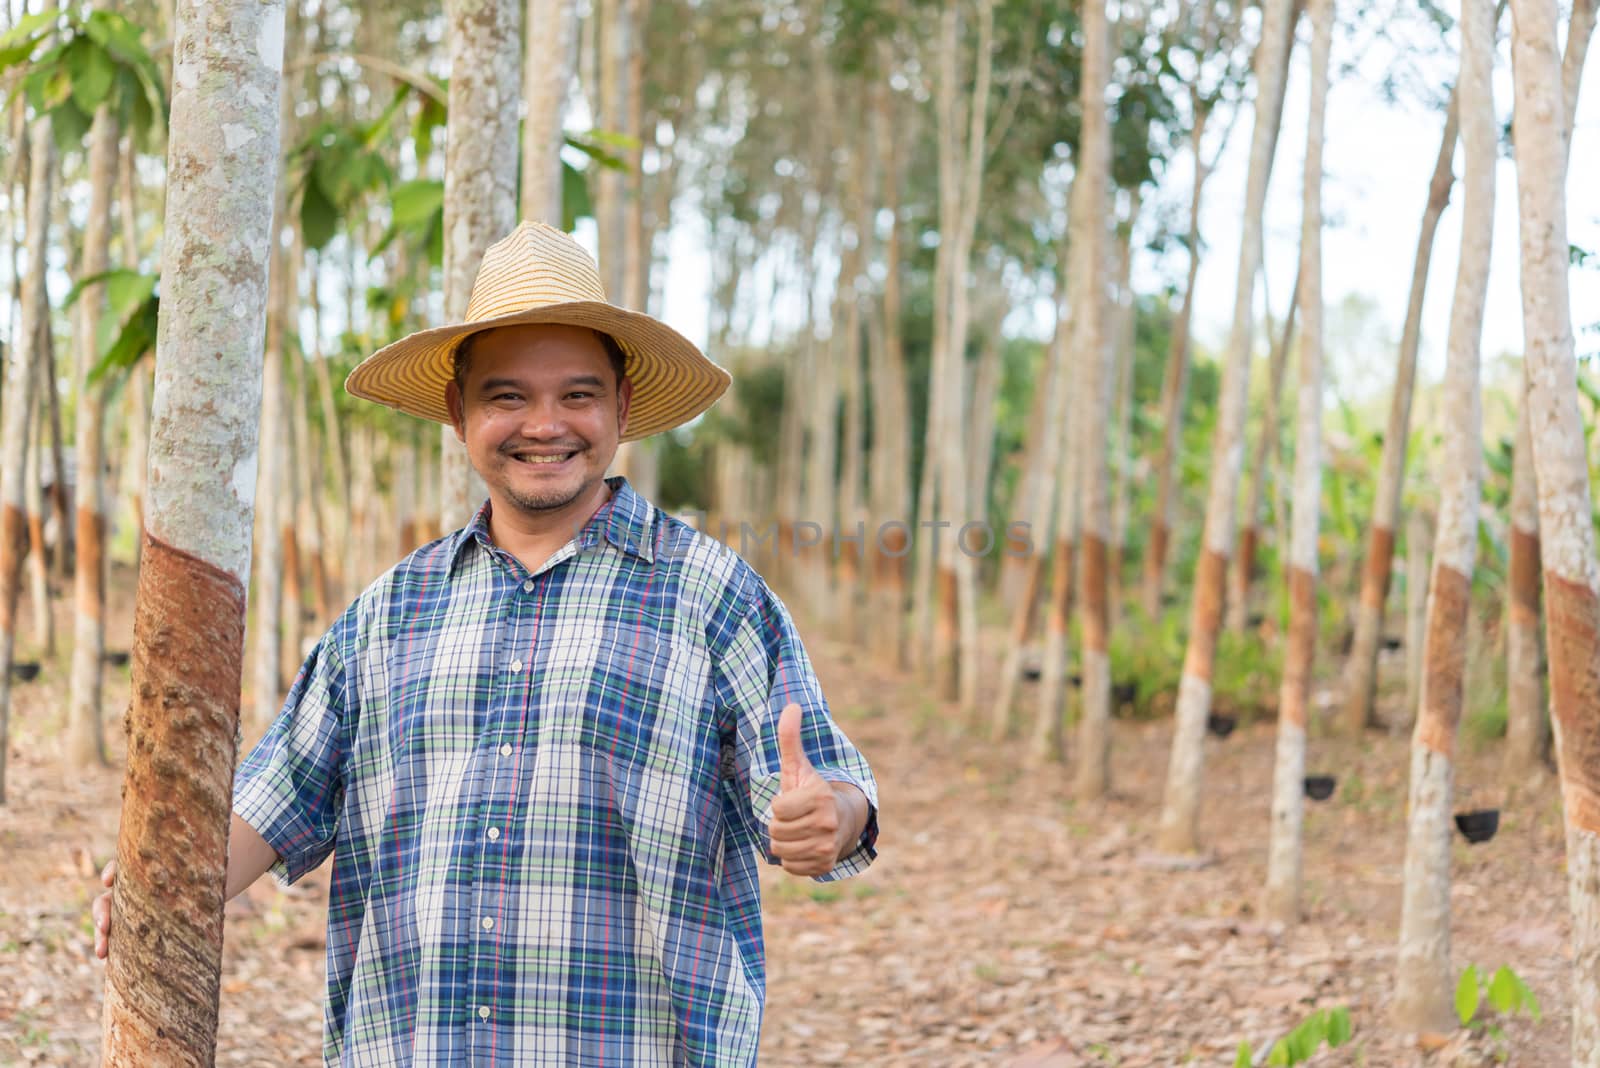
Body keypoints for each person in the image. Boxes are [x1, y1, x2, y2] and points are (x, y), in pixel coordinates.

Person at [94, 221, 880, 1066]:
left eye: (577, 395)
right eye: (508, 396)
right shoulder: (389, 613)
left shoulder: (710, 596)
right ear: (458, 412)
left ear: (620, 406)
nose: (545, 424)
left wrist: (827, 818)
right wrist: (166, 879)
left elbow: (826, 788)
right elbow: (278, 793)